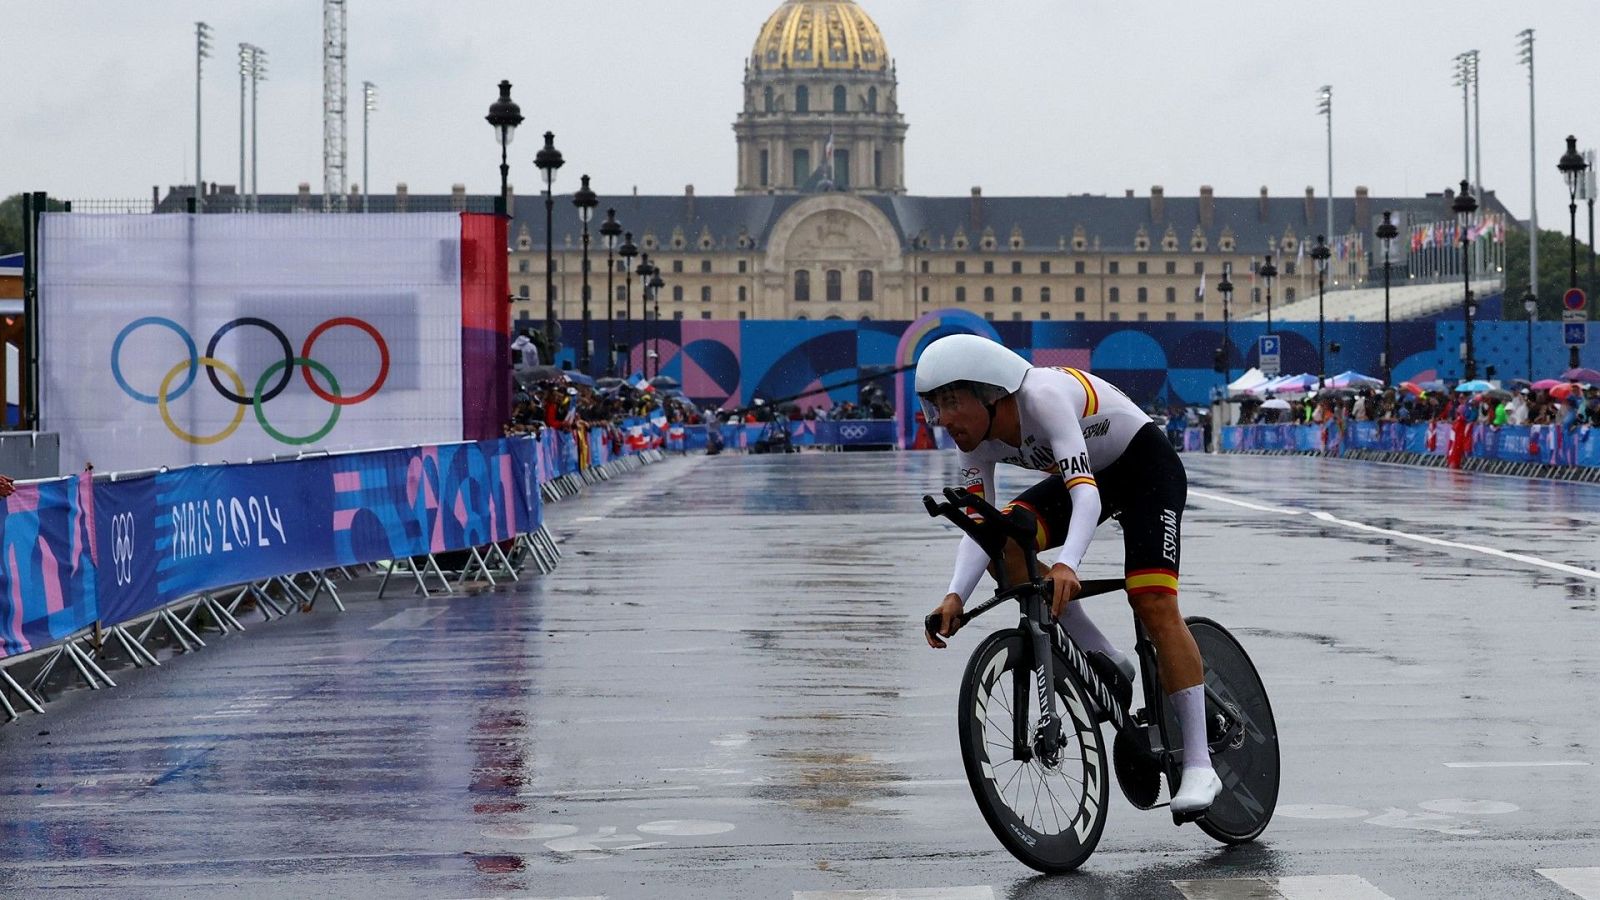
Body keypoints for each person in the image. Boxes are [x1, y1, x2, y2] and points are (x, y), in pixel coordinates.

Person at [915, 334, 1221, 815]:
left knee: (1152, 600)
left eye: (952, 402)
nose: (943, 419)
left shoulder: (1042, 397)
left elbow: (1087, 495)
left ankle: (1201, 764)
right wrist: (955, 594)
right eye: (936, 406)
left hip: (1144, 469)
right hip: (1092, 475)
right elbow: (979, 529)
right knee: (1004, 543)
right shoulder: (973, 443)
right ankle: (1105, 657)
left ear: (990, 392)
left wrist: (1067, 564)